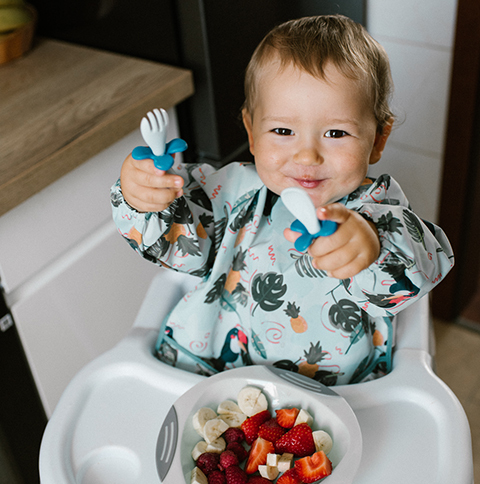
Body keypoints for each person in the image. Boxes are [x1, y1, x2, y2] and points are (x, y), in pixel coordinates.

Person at [110, 15, 454, 385]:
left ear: (378, 139)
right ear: (252, 133)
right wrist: (146, 197)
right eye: (283, 130)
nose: (307, 156)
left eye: (336, 133)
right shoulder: (230, 191)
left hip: (336, 395)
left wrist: (371, 246)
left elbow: (419, 267)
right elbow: (178, 242)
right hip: (212, 374)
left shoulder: (377, 210)